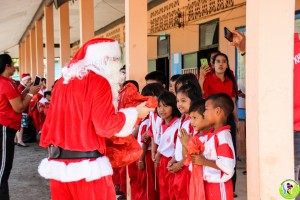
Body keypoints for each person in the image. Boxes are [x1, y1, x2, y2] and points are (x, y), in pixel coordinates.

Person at [38, 38, 154, 200]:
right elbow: (105, 126)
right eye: (115, 60)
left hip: (58, 166)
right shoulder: (99, 81)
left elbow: (50, 126)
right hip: (89, 169)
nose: (118, 66)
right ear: (106, 59)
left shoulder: (61, 85)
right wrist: (135, 113)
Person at [0, 54, 40, 200]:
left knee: (4, 167)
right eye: (12, 64)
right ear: (7, 66)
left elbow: (16, 98)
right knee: (3, 168)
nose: (14, 66)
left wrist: (27, 90)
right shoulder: (4, 83)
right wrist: (31, 93)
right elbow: (19, 107)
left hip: (7, 126)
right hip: (4, 126)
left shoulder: (7, 81)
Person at [192, 93, 236, 200]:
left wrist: (204, 162)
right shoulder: (213, 134)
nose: (204, 113)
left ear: (218, 111)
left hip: (219, 186)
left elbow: (227, 166)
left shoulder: (223, 137)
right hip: (211, 184)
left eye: (206, 109)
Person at [168, 83, 202, 200]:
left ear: (193, 101)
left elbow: (193, 149)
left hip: (187, 168)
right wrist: (173, 159)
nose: (179, 104)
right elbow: (180, 144)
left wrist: (180, 164)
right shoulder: (182, 119)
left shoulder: (194, 124)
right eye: (177, 101)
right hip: (180, 166)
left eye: (183, 100)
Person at [155, 91, 181, 200]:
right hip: (162, 161)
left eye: (165, 106)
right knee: (163, 189)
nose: (161, 110)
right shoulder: (161, 123)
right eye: (159, 106)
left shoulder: (178, 124)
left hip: (172, 161)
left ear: (174, 106)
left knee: (172, 191)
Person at [16, 73, 32, 147]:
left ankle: (17, 140)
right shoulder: (21, 87)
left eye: (30, 80)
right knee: (21, 126)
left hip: (23, 109)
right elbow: (21, 97)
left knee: (21, 125)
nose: (29, 81)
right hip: (22, 109)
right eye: (28, 80)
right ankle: (20, 140)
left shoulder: (23, 86)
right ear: (24, 80)